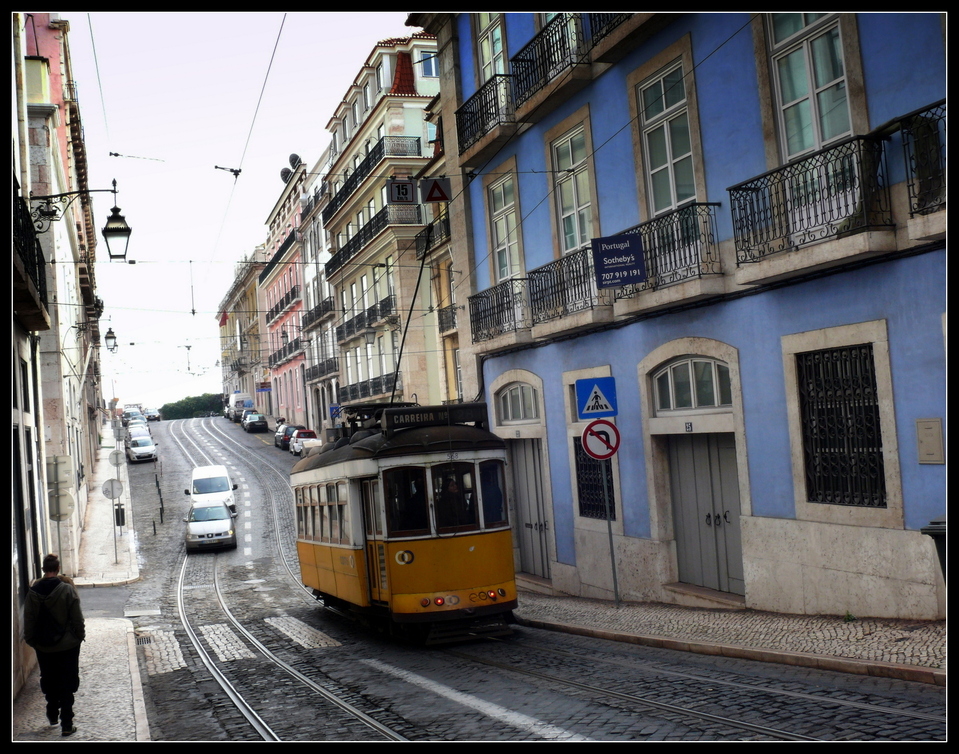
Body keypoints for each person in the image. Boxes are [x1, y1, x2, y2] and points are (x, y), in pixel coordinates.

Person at [23, 553, 85, 737]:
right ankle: (67, 723)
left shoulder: (33, 593)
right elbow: (77, 618)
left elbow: (29, 620)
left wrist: (32, 641)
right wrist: (79, 636)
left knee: (49, 678)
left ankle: (52, 713)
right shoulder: (67, 590)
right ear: (58, 569)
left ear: (43, 570)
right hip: (68, 645)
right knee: (67, 681)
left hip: (44, 646)